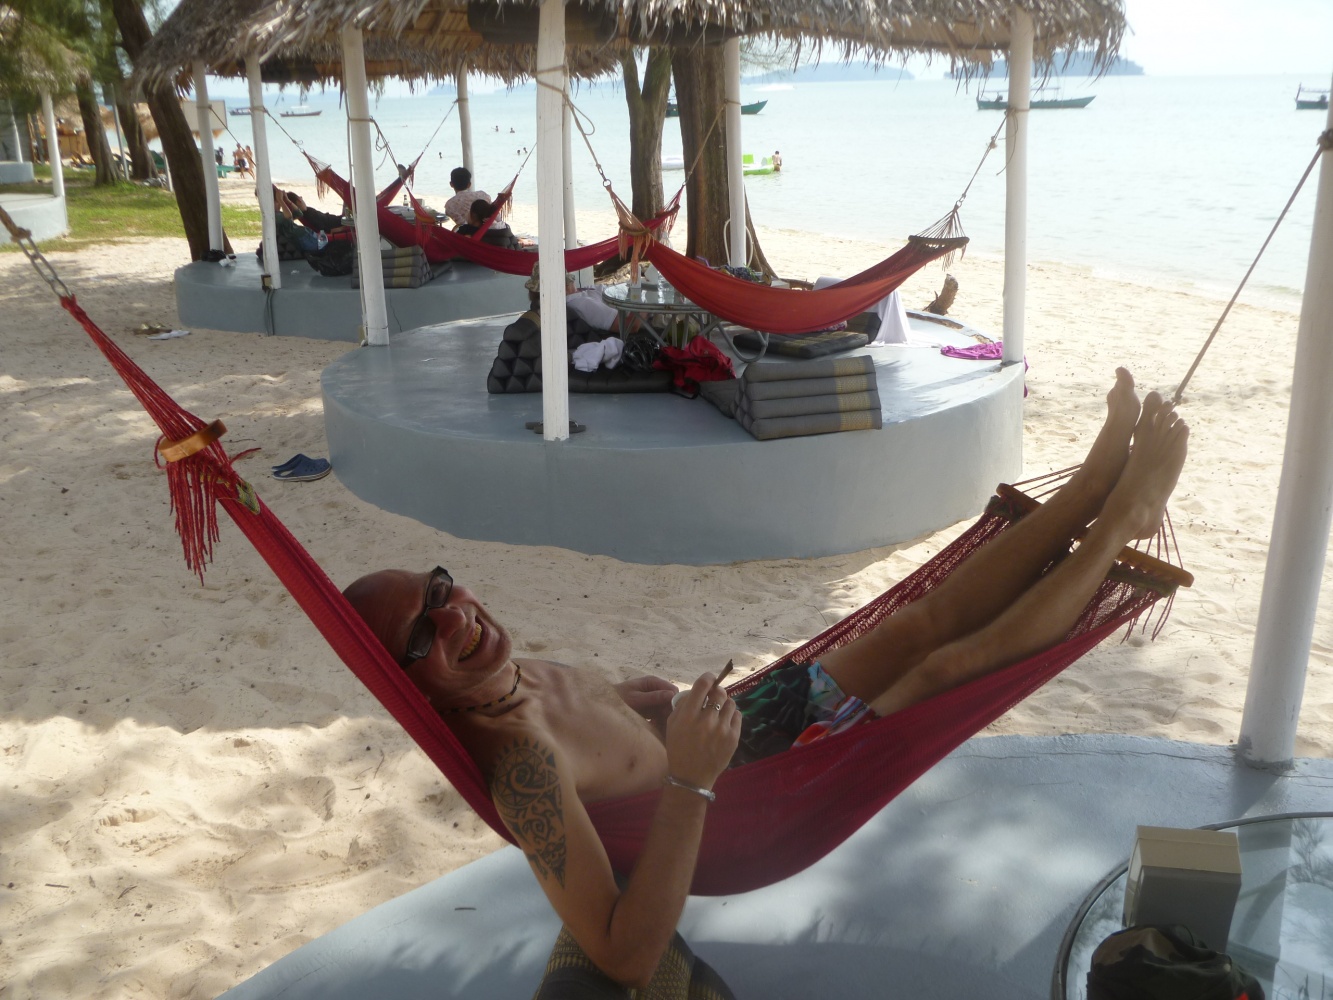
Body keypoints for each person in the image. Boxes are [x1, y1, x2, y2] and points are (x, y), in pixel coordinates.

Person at [343, 370, 1188, 990]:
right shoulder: (522, 768)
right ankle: (1120, 521)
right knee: (944, 668)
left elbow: (603, 738)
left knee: (916, 623)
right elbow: (623, 954)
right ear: (413, 689)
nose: (454, 619)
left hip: (738, 730)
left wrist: (640, 707)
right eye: (421, 636)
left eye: (440, 590)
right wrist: (687, 776)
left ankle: (1088, 488)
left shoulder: (506, 665)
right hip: (755, 794)